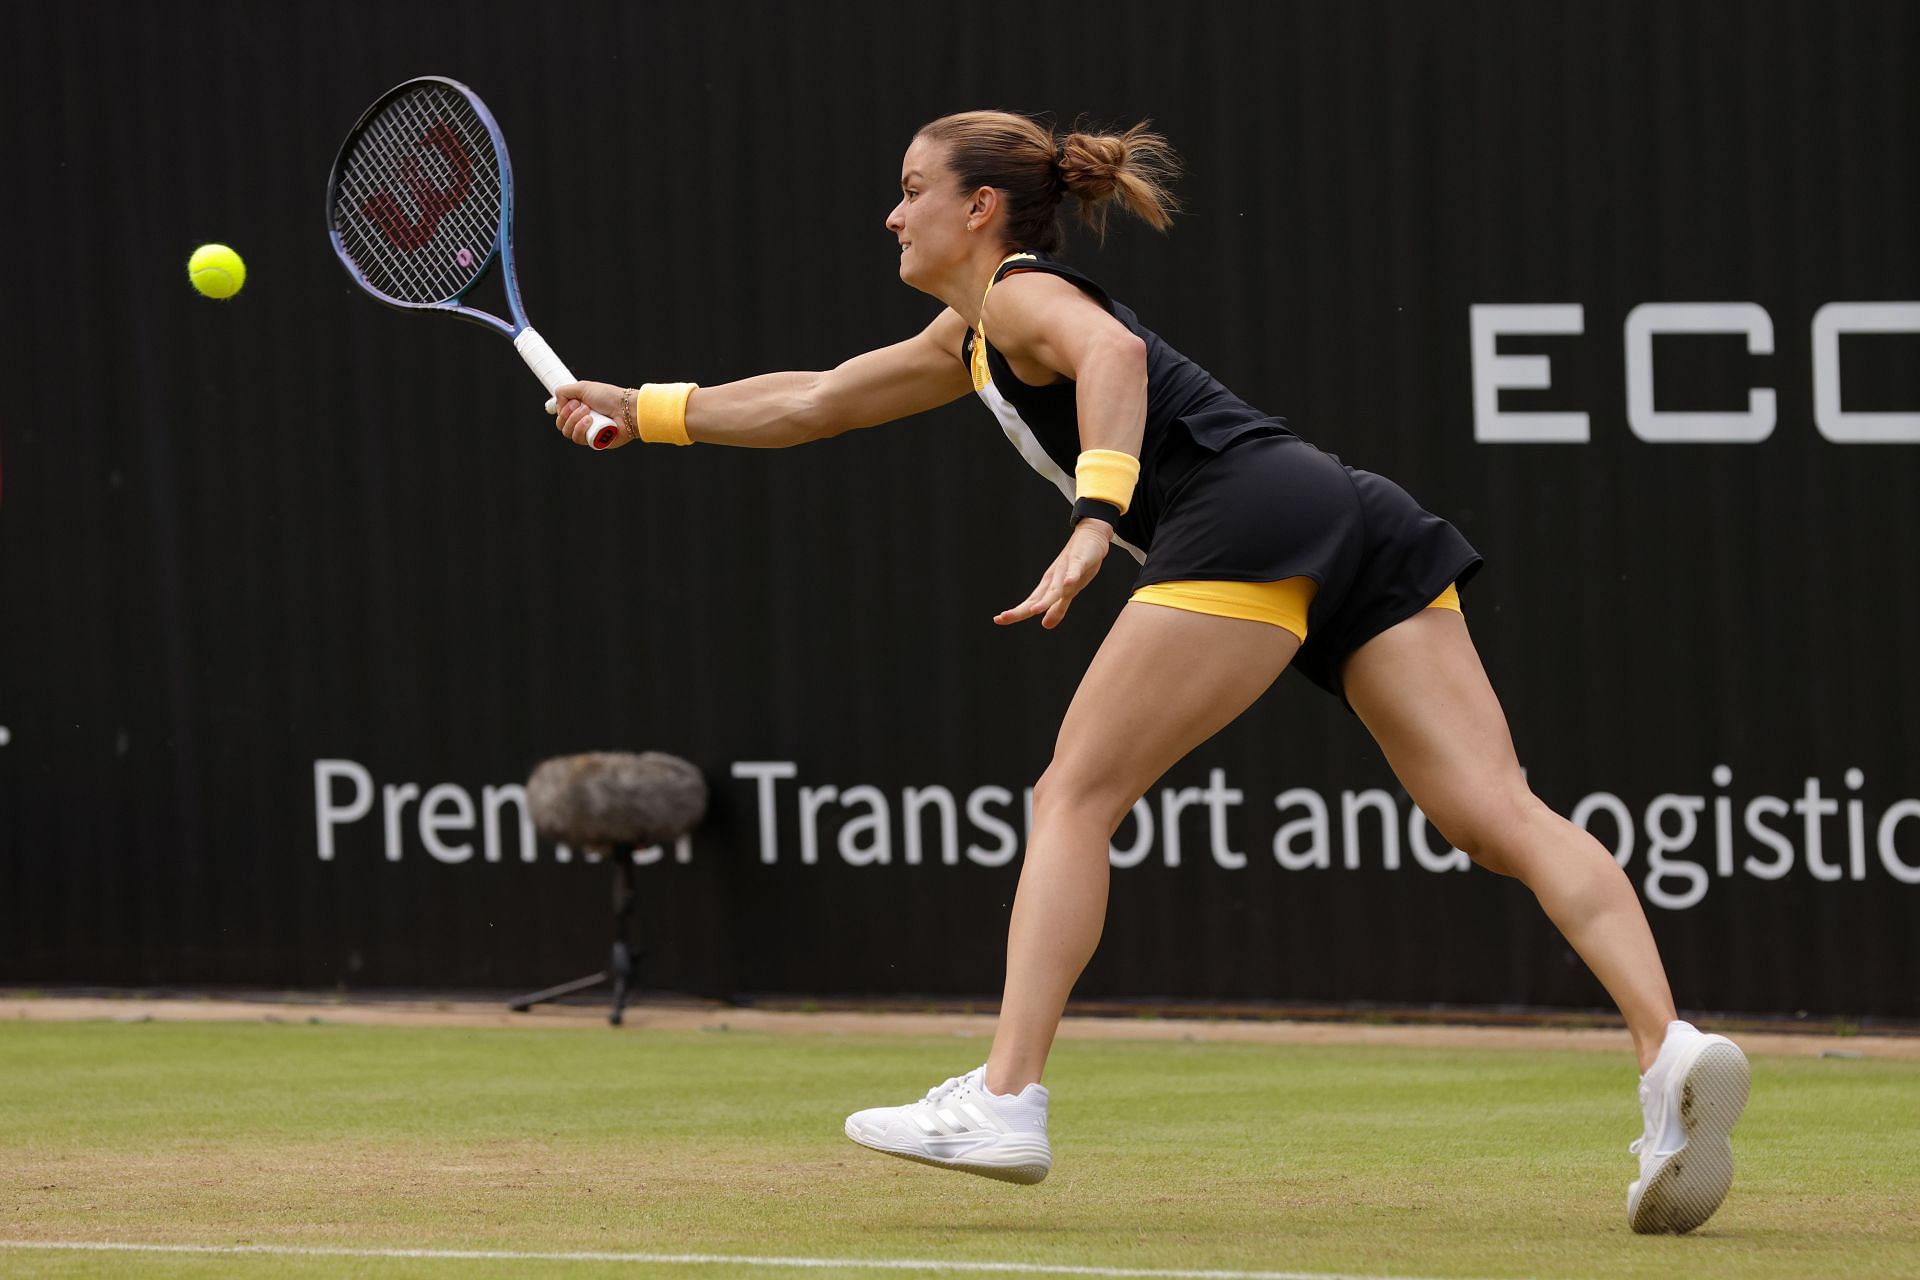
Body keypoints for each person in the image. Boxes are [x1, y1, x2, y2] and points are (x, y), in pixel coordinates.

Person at [547, 110, 1749, 1234]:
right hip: (1349, 511)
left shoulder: (1024, 297)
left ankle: (1007, 1097)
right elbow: (813, 401)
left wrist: (1092, 516)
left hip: (1239, 515)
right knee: (1496, 813)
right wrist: (644, 409)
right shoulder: (969, 337)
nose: (891, 214)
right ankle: (1668, 1049)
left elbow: (1112, 354)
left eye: (912, 191)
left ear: (981, 211)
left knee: (1073, 793)